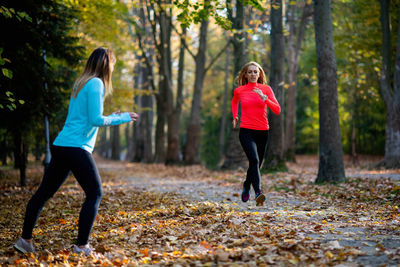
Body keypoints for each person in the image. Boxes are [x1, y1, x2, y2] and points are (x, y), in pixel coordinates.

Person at [14, 47, 139, 256]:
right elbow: (95, 120)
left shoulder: (81, 83)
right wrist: (123, 117)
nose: (113, 69)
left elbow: (86, 117)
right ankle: (82, 246)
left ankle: (25, 240)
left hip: (62, 144)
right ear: (106, 65)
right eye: (113, 64)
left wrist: (110, 114)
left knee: (44, 193)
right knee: (95, 193)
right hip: (76, 147)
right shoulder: (97, 83)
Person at [232, 61, 281, 206]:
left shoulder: (266, 89)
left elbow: (277, 110)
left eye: (255, 72)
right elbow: (235, 102)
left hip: (263, 131)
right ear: (245, 75)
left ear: (259, 74)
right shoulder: (240, 90)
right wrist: (235, 115)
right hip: (246, 130)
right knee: (253, 160)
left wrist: (265, 99)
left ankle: (247, 185)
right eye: (250, 72)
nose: (253, 74)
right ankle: (258, 192)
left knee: (256, 165)